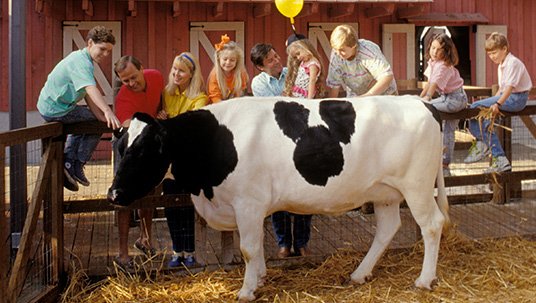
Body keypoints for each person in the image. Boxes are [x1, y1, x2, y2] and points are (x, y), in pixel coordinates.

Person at [37, 25, 121, 191]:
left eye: (108, 51)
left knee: (96, 121)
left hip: (58, 107)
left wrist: (98, 115)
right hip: (55, 110)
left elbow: (86, 94)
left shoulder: (83, 60)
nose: (105, 55)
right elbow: (90, 89)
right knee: (96, 124)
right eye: (102, 49)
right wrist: (107, 111)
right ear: (90, 43)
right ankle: (75, 161)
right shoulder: (81, 63)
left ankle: (71, 162)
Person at [113, 55, 164, 270]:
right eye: (125, 81)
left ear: (142, 69)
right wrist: (154, 121)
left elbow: (161, 99)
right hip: (128, 145)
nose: (131, 83)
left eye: (133, 77)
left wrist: (161, 113)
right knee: (124, 197)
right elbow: (128, 125)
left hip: (150, 141)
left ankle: (145, 239)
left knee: (152, 191)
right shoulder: (122, 99)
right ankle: (122, 254)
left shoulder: (157, 77)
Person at [159, 53, 208, 267]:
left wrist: (170, 123)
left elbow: (191, 128)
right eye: (174, 69)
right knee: (171, 206)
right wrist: (161, 118)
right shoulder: (166, 93)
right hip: (169, 161)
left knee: (187, 206)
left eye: (182, 70)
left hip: (189, 160)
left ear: (191, 74)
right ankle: (176, 251)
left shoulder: (199, 98)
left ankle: (189, 251)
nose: (176, 74)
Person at [464, 32, 532, 173]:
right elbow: (501, 89)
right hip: (509, 96)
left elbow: (509, 89)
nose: (492, 57)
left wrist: (497, 104)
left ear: (504, 49)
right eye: (489, 54)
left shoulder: (512, 63)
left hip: (517, 98)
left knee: (475, 106)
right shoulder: (502, 64)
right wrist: (492, 102)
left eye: (494, 53)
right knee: (488, 123)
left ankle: (481, 142)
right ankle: (500, 159)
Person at [419, 34, 468, 177]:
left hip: (454, 99)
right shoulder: (433, 63)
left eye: (439, 50)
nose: (435, 52)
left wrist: (425, 100)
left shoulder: (443, 66)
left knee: (426, 109)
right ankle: (445, 165)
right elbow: (428, 83)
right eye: (433, 48)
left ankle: (442, 163)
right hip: (450, 97)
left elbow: (434, 85)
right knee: (448, 131)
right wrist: (419, 98)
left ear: (445, 52)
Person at [326, 24, 397, 98]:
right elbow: (333, 84)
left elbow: (387, 76)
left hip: (383, 95)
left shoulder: (368, 52)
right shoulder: (336, 54)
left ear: (354, 45)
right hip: (356, 95)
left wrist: (368, 95)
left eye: (342, 50)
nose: (338, 53)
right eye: (335, 49)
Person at [207, 34, 249, 104]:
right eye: (225, 59)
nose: (228, 62)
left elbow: (239, 94)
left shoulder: (241, 73)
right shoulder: (215, 74)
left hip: (232, 106)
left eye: (232, 60)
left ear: (237, 61)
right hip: (216, 106)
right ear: (218, 59)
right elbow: (215, 96)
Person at [283, 34, 325, 98]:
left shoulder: (313, 64)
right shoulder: (305, 61)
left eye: (298, 54)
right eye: (296, 56)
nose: (298, 58)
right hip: (298, 91)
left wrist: (309, 99)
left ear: (305, 47)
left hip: (305, 94)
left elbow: (312, 81)